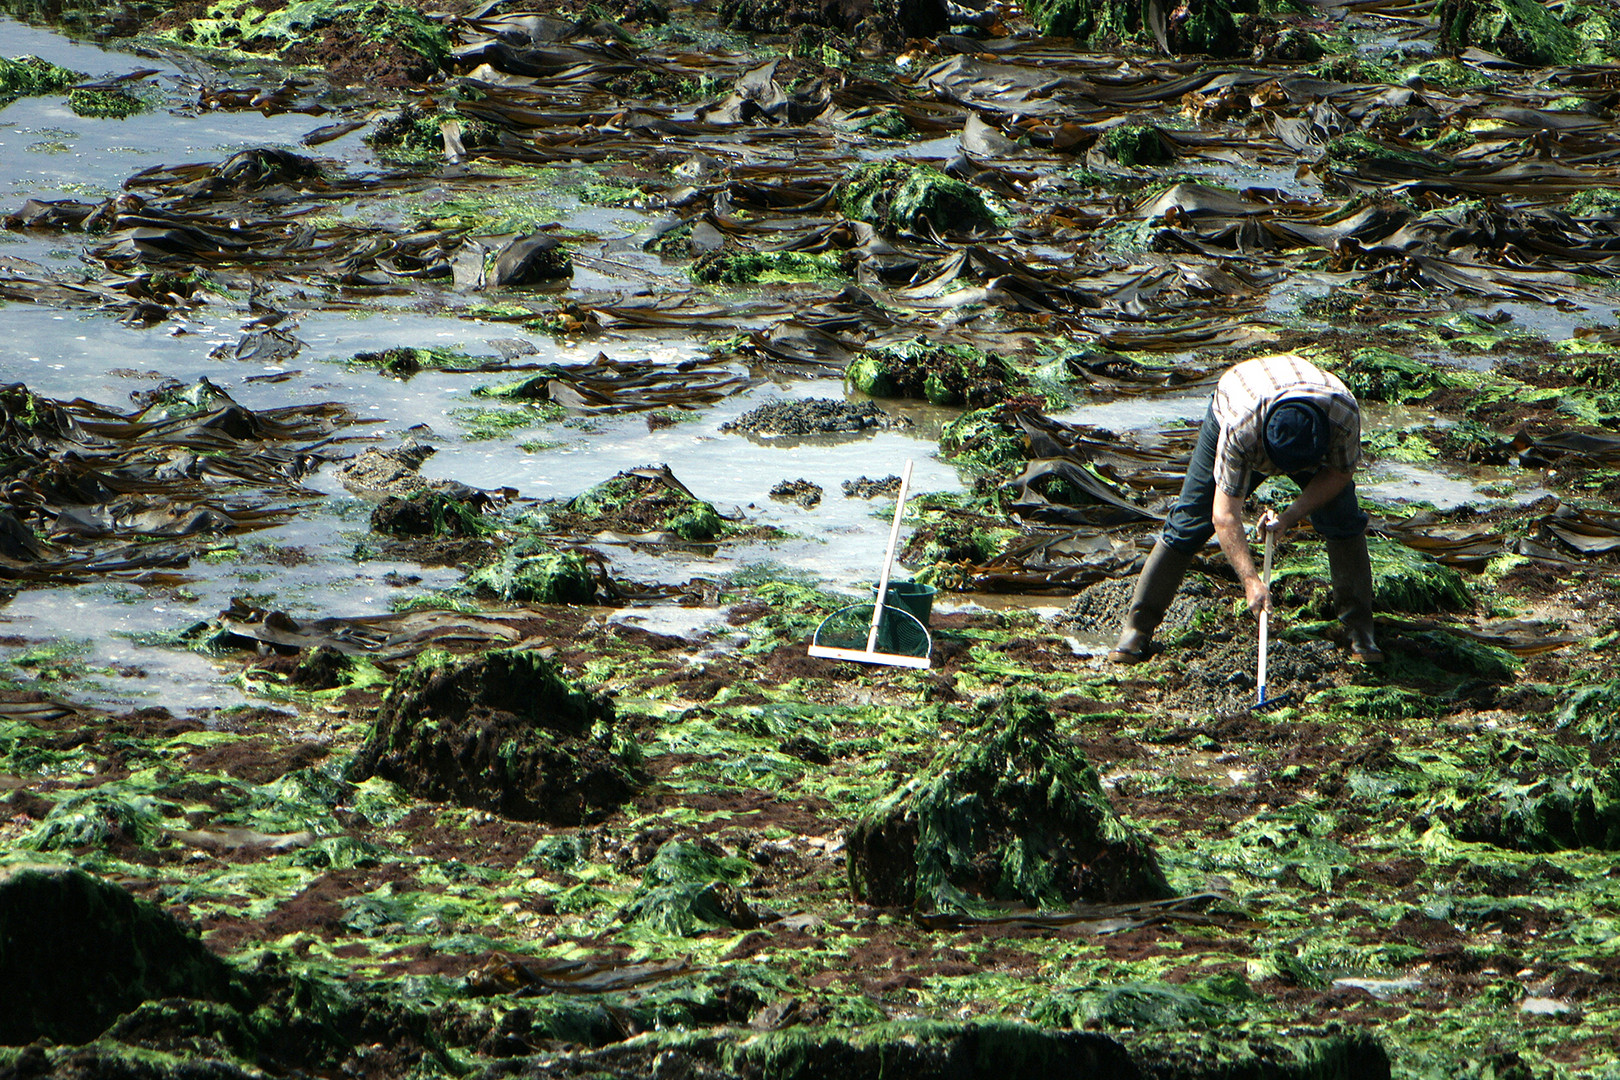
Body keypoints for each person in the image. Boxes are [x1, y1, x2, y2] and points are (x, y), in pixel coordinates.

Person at [1108, 353, 1384, 665]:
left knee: (1343, 519)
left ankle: (1359, 629)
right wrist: (1251, 581)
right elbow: (1224, 515)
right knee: (1189, 523)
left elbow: (1338, 474)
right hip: (1239, 393)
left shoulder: (1342, 415)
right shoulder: (1241, 429)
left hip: (1300, 397)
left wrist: (1291, 516)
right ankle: (1137, 630)